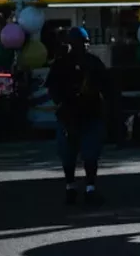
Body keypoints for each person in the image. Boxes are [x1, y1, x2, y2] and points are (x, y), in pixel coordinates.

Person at [45, 26, 111, 204]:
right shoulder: (76, 63)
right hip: (76, 116)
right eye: (81, 42)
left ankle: (81, 188)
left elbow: (52, 90)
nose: (83, 46)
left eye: (84, 43)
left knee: (82, 154)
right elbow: (53, 90)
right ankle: (78, 187)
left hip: (84, 115)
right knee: (75, 154)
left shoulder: (87, 63)